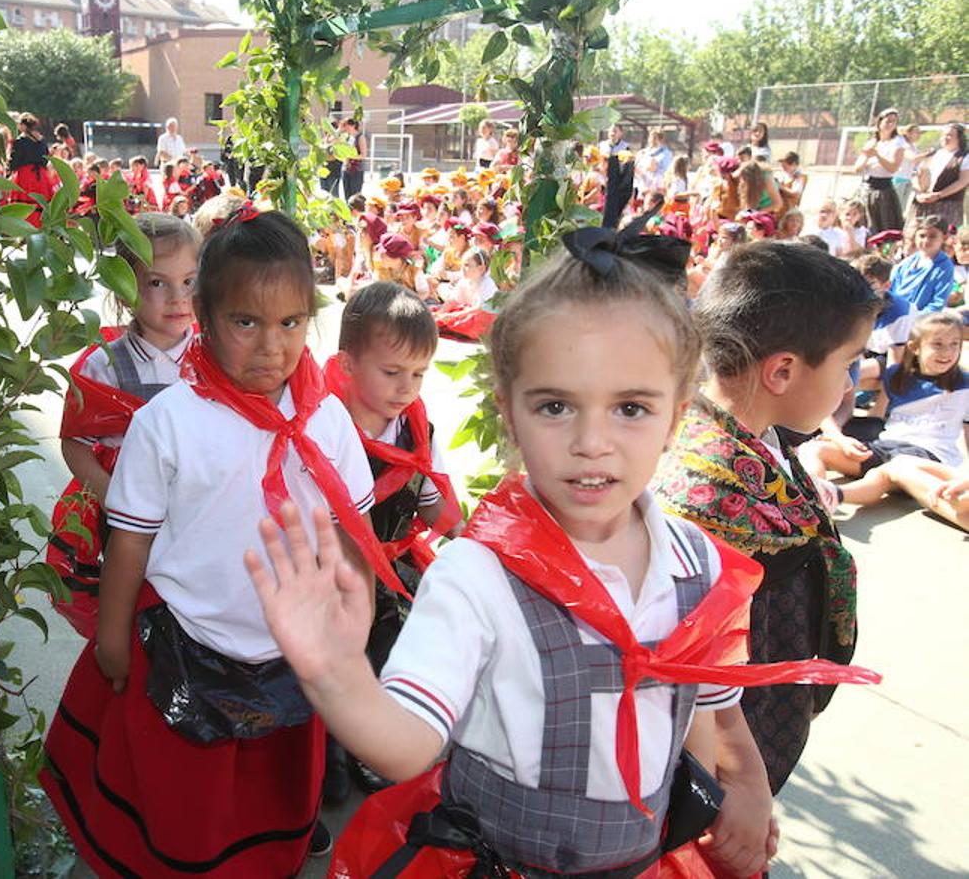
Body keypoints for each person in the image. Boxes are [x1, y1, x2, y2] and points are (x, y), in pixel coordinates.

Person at [246, 222, 878, 879]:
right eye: (555, 406)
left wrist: (745, 787)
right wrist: (336, 673)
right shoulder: (478, 576)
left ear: (676, 415)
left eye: (630, 408)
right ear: (510, 413)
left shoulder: (697, 562)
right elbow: (408, 745)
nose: (592, 441)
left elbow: (711, 707)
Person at [41, 207, 391, 878]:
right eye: (246, 321)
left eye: (291, 322)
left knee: (271, 813)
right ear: (203, 314)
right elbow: (131, 542)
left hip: (295, 656)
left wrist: (351, 636)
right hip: (182, 651)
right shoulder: (167, 423)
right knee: (185, 819)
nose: (271, 345)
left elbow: (355, 537)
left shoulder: (328, 419)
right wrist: (112, 638)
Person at [657, 241, 880, 795]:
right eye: (846, 364)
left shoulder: (749, 438)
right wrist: (735, 789)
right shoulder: (707, 500)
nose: (850, 384)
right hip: (716, 769)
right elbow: (692, 681)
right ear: (782, 370)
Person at [320, 281, 461, 800]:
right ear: (348, 365)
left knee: (387, 657)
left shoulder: (417, 430)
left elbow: (431, 498)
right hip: (332, 572)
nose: (407, 387)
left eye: (419, 374)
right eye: (392, 372)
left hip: (389, 571)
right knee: (331, 663)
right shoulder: (320, 426)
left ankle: (369, 747)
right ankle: (327, 754)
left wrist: (465, 537)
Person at [47, 214, 200, 638]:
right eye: (157, 283)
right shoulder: (105, 364)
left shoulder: (215, 354)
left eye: (189, 281)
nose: (177, 297)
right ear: (124, 289)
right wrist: (114, 497)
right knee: (134, 613)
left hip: (196, 511)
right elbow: (74, 444)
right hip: (131, 518)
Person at [804, 311, 967, 499]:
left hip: (929, 456)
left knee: (884, 473)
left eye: (954, 344)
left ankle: (829, 497)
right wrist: (839, 438)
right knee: (813, 449)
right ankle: (809, 497)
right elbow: (830, 397)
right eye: (937, 344)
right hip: (887, 446)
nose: (947, 352)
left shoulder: (965, 385)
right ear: (915, 347)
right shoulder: (896, 375)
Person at [853, 108, 908, 234]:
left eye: (894, 122)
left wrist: (877, 155)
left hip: (883, 189)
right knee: (865, 224)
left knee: (885, 224)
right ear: (879, 122)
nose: (890, 124)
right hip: (866, 188)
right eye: (888, 121)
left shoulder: (898, 142)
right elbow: (857, 168)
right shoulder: (872, 142)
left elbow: (893, 167)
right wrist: (867, 156)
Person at [890, 215, 956, 312]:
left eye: (932, 236)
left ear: (944, 237)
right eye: (922, 236)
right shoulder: (906, 263)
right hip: (896, 315)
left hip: (921, 320)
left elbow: (937, 303)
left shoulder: (944, 267)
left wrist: (914, 318)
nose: (926, 240)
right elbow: (893, 290)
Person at [6, 113, 58, 228]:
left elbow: (15, 161)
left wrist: (8, 169)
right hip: (41, 176)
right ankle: (40, 227)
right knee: (40, 204)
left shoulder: (20, 141)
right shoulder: (42, 140)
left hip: (25, 175)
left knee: (25, 204)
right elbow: (45, 160)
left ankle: (25, 229)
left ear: (24, 126)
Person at [913, 122, 967, 230]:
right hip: (924, 204)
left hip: (949, 205)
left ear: (959, 138)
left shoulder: (964, 157)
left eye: (950, 135)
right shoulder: (933, 155)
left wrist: (939, 195)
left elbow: (963, 181)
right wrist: (920, 193)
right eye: (943, 135)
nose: (945, 138)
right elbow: (916, 175)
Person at [599, 123, 633, 228]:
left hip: (617, 179)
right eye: (611, 131)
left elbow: (627, 165)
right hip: (603, 177)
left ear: (620, 133)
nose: (612, 133)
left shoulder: (625, 147)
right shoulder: (602, 145)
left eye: (615, 131)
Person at [341, 117, 368, 199]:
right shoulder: (346, 137)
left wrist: (349, 156)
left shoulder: (360, 137)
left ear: (352, 125)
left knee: (355, 196)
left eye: (345, 125)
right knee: (347, 195)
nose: (344, 128)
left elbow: (363, 155)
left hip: (356, 170)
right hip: (346, 169)